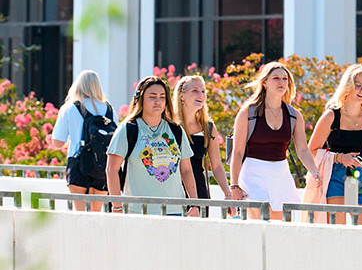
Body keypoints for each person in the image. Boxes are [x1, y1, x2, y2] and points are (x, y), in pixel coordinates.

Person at [230, 62, 322, 220]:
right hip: (253, 172)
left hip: (281, 173)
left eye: (285, 79)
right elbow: (237, 152)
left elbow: (303, 150)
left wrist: (314, 171)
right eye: (276, 78)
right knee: (258, 223)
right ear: (265, 83)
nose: (281, 82)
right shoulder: (248, 113)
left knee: (280, 226)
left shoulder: (294, 115)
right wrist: (234, 185)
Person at [106, 76, 199, 216]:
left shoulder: (176, 131)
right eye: (152, 97)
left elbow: (186, 170)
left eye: (162, 97)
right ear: (141, 99)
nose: (158, 101)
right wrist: (117, 206)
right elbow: (112, 169)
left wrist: (194, 203)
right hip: (138, 211)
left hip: (174, 211)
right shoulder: (128, 129)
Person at [308, 64, 362, 225]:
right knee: (338, 232)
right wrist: (339, 158)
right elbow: (311, 149)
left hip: (361, 176)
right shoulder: (331, 115)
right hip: (335, 175)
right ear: (348, 85)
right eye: (358, 85)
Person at [52, 70, 118, 212]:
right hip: (102, 164)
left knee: (80, 214)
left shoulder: (70, 108)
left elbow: (57, 142)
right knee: (96, 213)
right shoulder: (109, 110)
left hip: (78, 162)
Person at [173, 76, 233, 206]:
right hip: (173, 190)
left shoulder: (208, 128)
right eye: (195, 91)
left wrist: (228, 193)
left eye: (203, 91)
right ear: (181, 96)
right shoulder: (169, 125)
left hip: (199, 191)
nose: (200, 95)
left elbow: (216, 166)